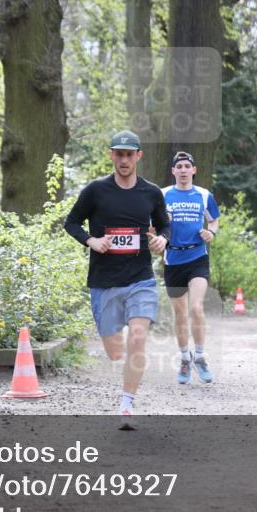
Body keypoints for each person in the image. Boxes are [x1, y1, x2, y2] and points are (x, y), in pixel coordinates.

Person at [64, 130, 170, 427]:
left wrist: (162, 240)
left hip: (141, 279)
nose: (124, 159)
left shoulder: (151, 193)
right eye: (119, 153)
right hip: (104, 282)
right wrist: (91, 241)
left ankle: (126, 405)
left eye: (129, 154)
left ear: (139, 156)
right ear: (112, 155)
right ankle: (119, 346)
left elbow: (165, 226)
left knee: (138, 337)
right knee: (114, 352)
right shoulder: (96, 191)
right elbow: (70, 222)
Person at [161, 151, 220, 385]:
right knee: (180, 313)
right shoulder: (163, 195)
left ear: (194, 170)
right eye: (180, 166)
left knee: (196, 307)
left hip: (197, 257)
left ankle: (201, 357)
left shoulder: (204, 195)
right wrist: (158, 238)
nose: (184, 170)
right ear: (174, 171)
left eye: (188, 166)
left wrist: (211, 231)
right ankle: (185, 358)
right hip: (173, 259)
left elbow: (213, 219)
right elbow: (153, 222)